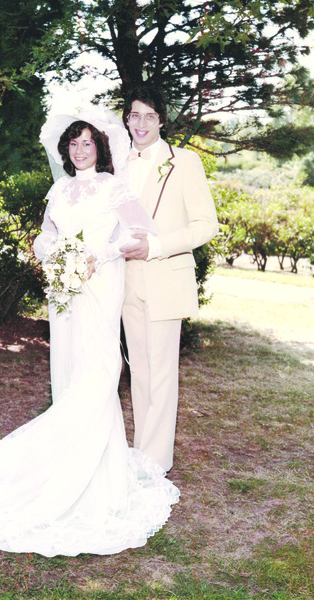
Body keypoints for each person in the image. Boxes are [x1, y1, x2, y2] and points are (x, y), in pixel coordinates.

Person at [0, 108, 179, 557]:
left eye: (87, 143)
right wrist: (55, 254)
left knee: (99, 369)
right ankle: (63, 462)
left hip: (101, 283)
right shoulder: (59, 188)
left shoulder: (115, 187)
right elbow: (44, 235)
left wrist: (99, 253)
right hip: (65, 291)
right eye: (73, 144)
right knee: (72, 368)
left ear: (100, 148)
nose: (79, 150)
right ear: (66, 150)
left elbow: (141, 232)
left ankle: (98, 475)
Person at [119, 87, 218, 473]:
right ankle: (142, 453)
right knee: (139, 373)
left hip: (166, 278)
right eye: (133, 115)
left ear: (161, 120)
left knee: (161, 374)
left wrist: (157, 246)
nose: (140, 123)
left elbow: (206, 225)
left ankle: (154, 467)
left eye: (148, 116)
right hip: (127, 282)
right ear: (126, 120)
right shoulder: (120, 167)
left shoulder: (185, 162)